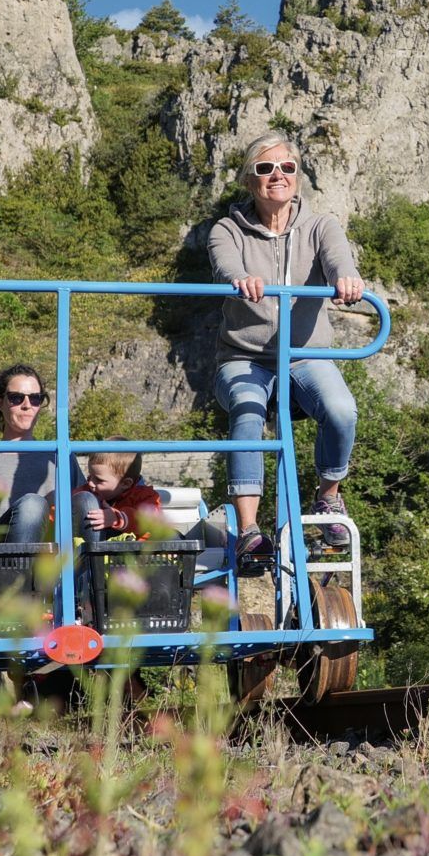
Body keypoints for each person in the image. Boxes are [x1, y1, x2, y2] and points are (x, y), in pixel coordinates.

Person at [204, 132, 364, 562]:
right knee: (247, 408)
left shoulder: (320, 226)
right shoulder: (228, 229)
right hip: (245, 356)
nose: (278, 175)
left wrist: (346, 279)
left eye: (287, 167)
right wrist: (240, 279)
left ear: (298, 176)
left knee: (341, 409)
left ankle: (328, 495)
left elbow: (338, 259)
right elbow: (225, 267)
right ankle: (249, 531)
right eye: (265, 168)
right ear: (250, 179)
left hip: (306, 354)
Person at [0, 362, 62, 546]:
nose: (27, 405)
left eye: (35, 398)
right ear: (0, 402)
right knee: (33, 505)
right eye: (16, 398)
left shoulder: (59, 456)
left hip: (53, 558)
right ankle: (20, 572)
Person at [75, 452, 168, 541]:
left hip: (137, 550)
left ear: (125, 483)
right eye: (89, 476)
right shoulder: (88, 491)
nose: (90, 483)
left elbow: (150, 520)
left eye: (98, 480)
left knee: (174, 536)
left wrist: (118, 518)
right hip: (103, 548)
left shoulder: (145, 496)